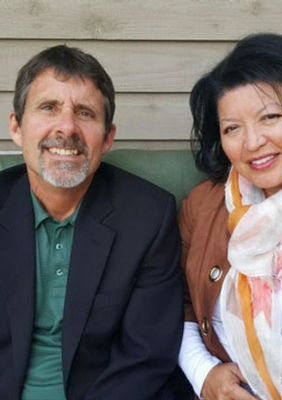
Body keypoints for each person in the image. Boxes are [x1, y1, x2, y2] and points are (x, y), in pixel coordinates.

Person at [0, 44, 183, 400]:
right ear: (18, 127)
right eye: (48, 108)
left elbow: (145, 356)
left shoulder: (148, 217)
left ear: (108, 138)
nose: (67, 127)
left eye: (85, 113)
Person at [178, 33, 282, 400]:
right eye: (232, 128)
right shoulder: (204, 205)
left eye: (270, 117)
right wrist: (205, 375)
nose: (252, 141)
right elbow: (176, 306)